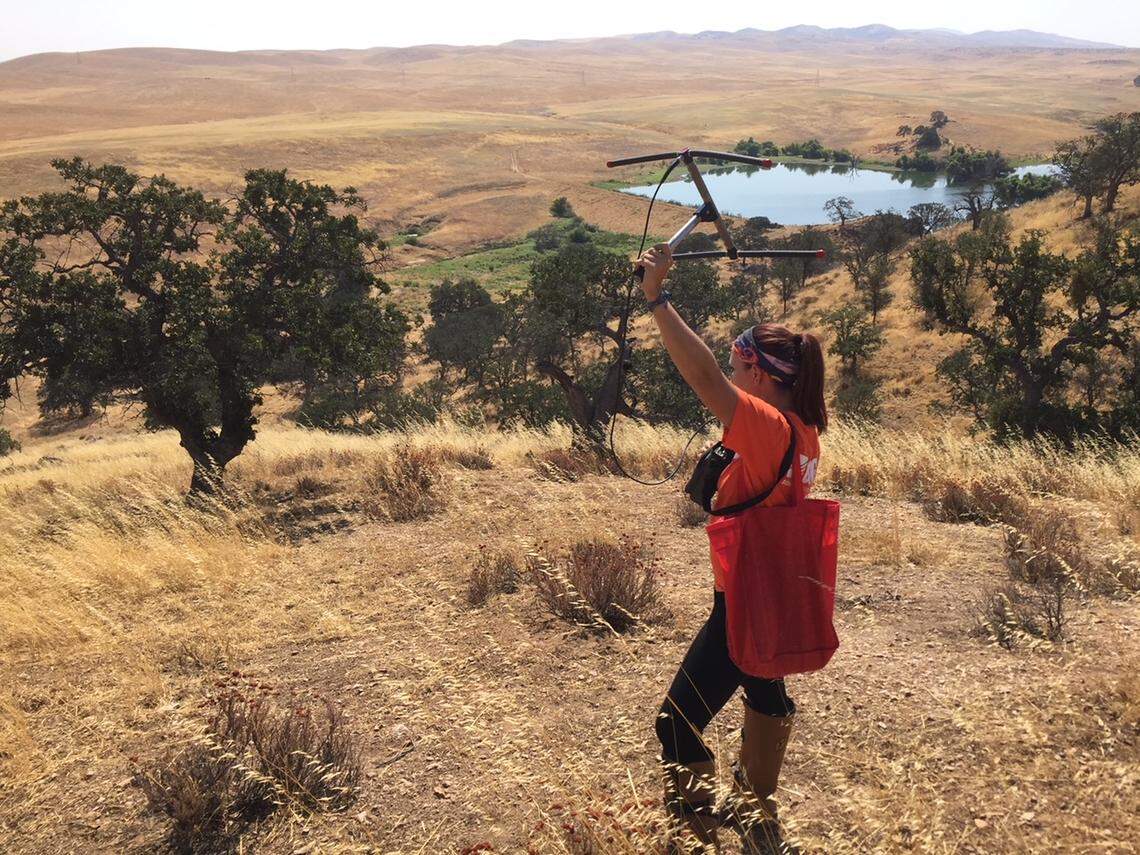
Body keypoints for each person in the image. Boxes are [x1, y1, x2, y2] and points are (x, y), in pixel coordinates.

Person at [637, 243, 828, 854]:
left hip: (743, 600)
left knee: (675, 722)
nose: (734, 380)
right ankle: (754, 807)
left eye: (740, 370)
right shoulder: (805, 433)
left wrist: (657, 298)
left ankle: (697, 832)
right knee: (765, 691)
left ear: (761, 376)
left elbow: (702, 378)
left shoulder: (769, 428)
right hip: (776, 593)